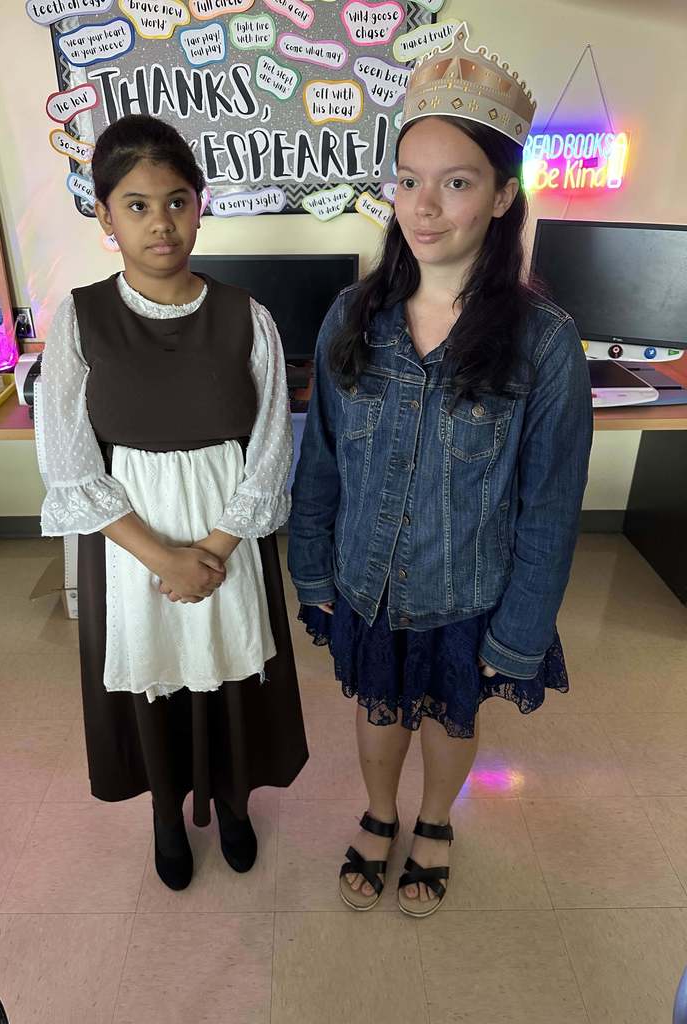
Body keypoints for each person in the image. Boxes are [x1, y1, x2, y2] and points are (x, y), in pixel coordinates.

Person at [288, 24, 592, 918]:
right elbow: (323, 464)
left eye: (455, 183)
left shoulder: (546, 344)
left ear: (502, 197)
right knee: (378, 709)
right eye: (408, 180)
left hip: (467, 591)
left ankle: (433, 822)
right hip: (367, 583)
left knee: (448, 716)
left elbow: (549, 507)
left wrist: (521, 635)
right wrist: (313, 575)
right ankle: (378, 812)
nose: (423, 207)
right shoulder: (352, 315)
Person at [35, 114, 308, 892]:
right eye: (138, 204)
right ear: (105, 217)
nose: (162, 222)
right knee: (156, 677)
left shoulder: (245, 315)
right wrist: (162, 557)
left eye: (178, 200)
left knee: (229, 679)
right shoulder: (80, 322)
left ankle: (232, 803)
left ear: (201, 204)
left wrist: (214, 551)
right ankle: (164, 812)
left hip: (228, 535)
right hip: (133, 546)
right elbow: (69, 459)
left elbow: (269, 445)